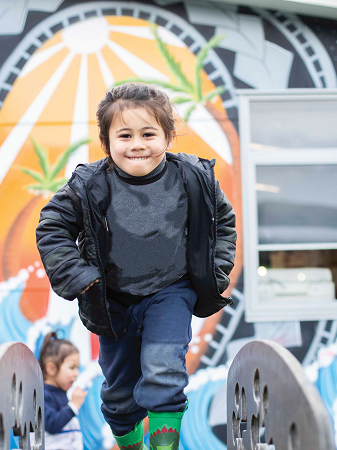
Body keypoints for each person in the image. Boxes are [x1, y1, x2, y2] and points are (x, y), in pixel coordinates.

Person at [36, 83, 236, 450]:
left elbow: (223, 222)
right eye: (124, 135)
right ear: (106, 141)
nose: (137, 144)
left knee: (164, 370)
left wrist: (217, 270)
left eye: (149, 133)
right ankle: (131, 445)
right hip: (113, 300)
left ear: (169, 136)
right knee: (119, 399)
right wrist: (79, 277)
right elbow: (52, 227)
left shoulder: (193, 177)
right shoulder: (88, 185)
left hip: (171, 291)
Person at [39, 331, 86, 450]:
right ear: (51, 368)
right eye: (72, 367)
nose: (76, 373)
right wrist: (73, 406)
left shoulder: (61, 393)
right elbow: (51, 424)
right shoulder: (43, 394)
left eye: (77, 368)